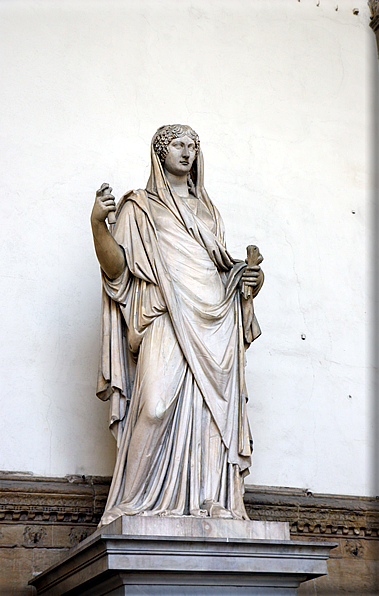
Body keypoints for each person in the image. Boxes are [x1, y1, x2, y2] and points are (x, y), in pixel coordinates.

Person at [91, 125, 264, 525]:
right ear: (160, 152)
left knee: (209, 417)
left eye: (193, 146)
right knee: (152, 406)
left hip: (214, 323)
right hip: (166, 316)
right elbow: (118, 269)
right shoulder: (140, 207)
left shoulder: (209, 211)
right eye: (178, 145)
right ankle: (131, 504)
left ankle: (208, 501)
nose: (187, 152)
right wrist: (98, 225)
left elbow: (221, 269)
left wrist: (247, 282)